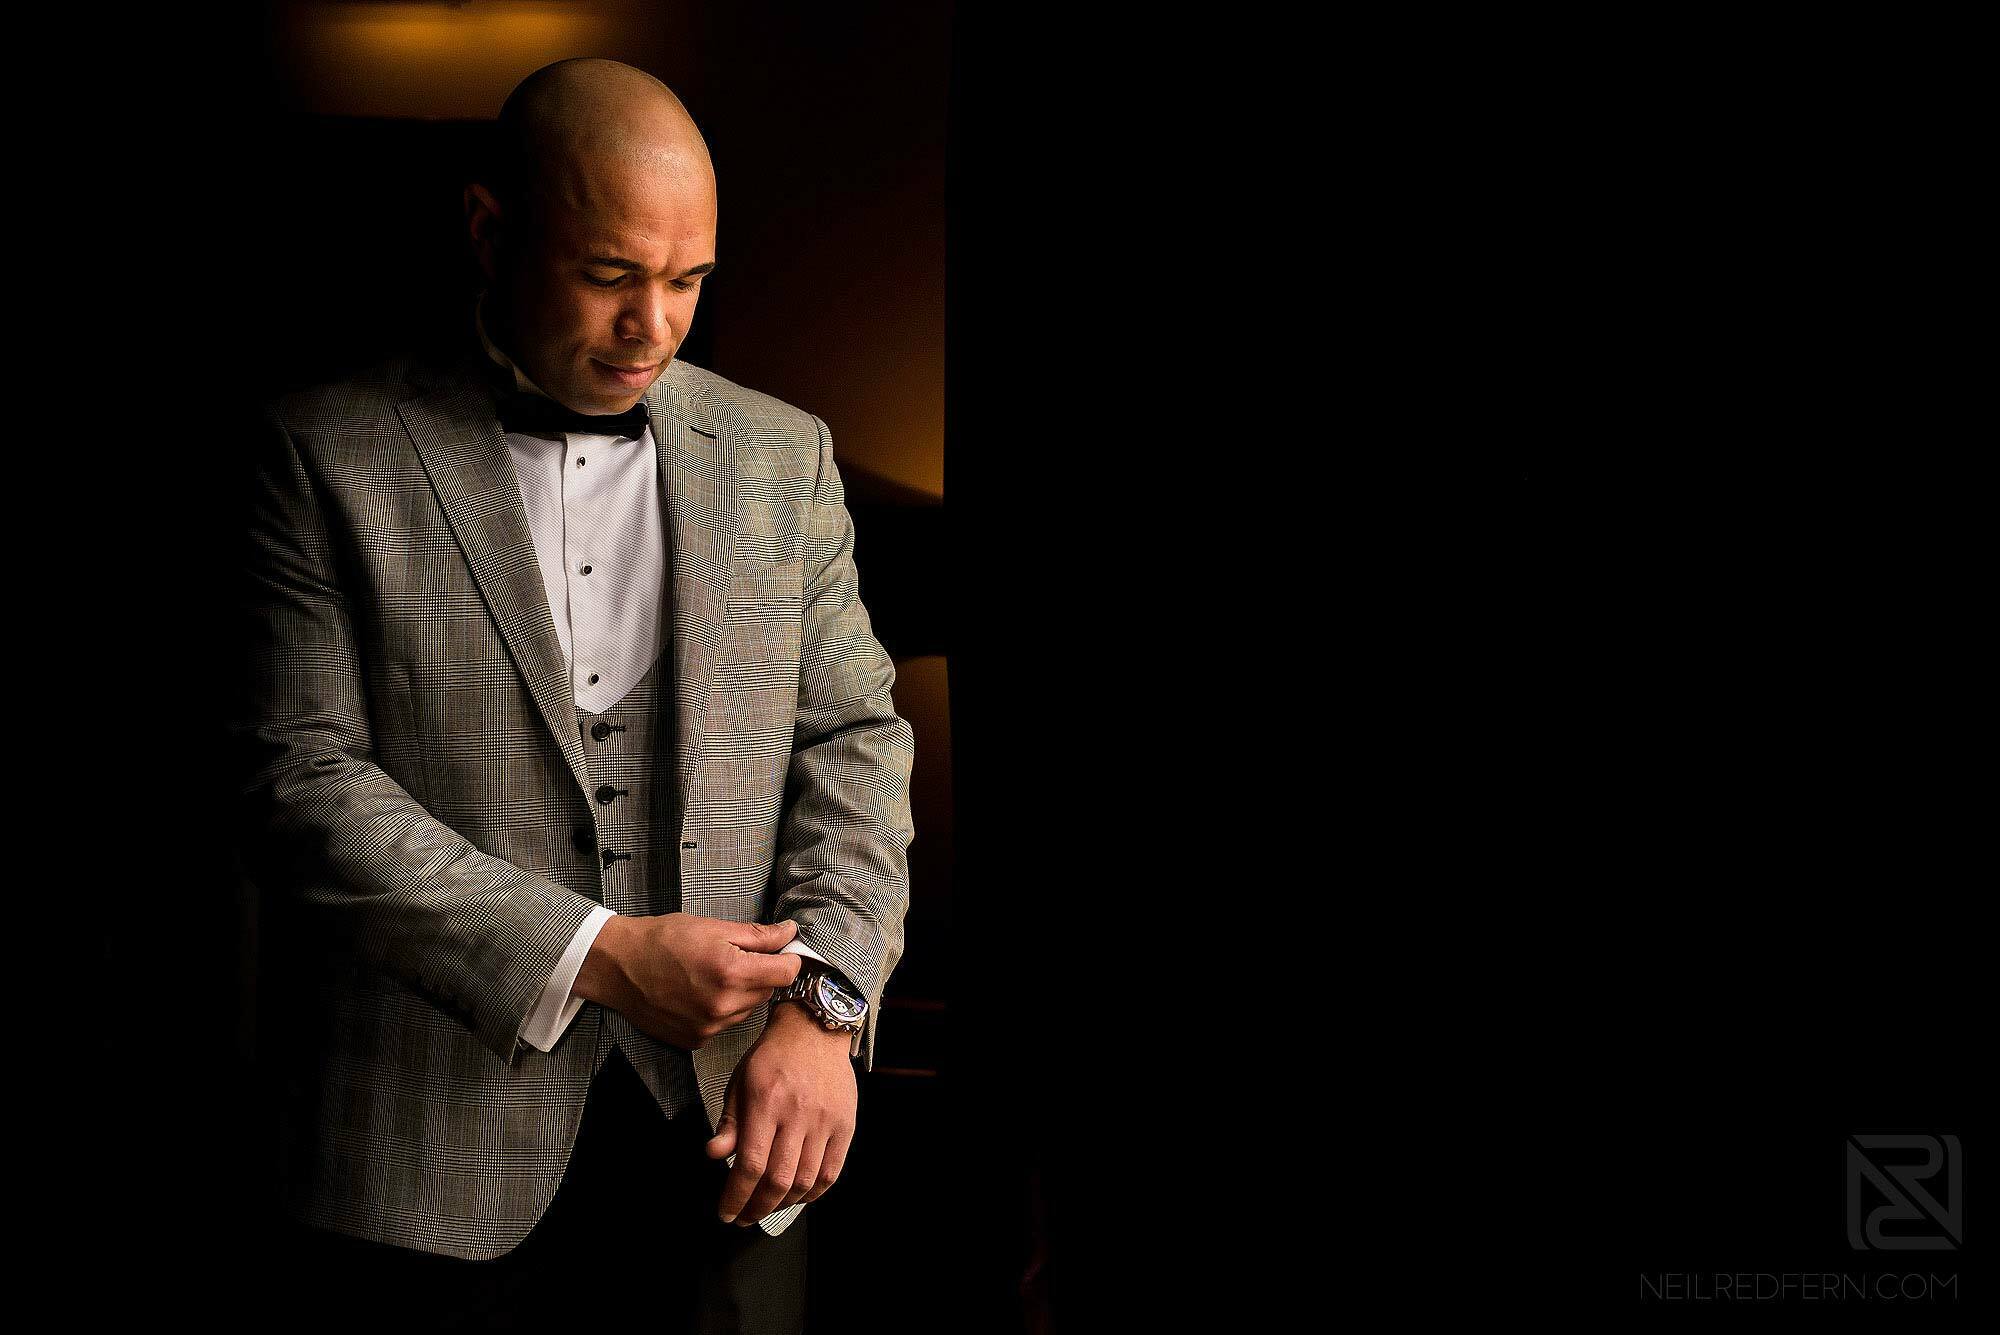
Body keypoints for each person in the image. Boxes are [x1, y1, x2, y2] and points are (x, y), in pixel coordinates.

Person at [229, 57, 915, 1333]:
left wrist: (824, 1013)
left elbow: (854, 742)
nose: (653, 325)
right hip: (418, 1167)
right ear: (491, 231)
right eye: (610, 275)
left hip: (734, 1145)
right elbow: (296, 781)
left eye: (688, 281)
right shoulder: (319, 452)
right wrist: (594, 954)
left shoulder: (784, 454)